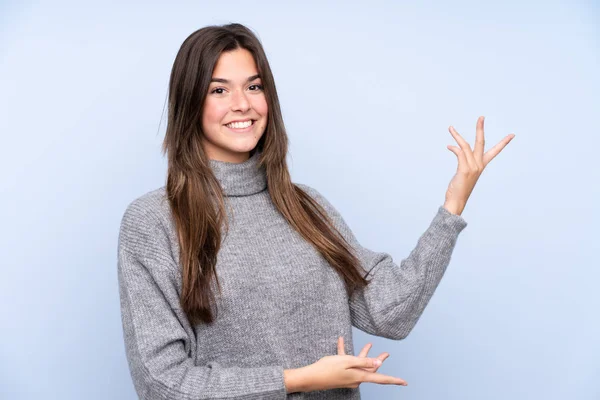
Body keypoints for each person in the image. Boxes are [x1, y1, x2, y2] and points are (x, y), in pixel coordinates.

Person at [116, 23, 515, 400]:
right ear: (190, 102)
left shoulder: (307, 207)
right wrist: (300, 381)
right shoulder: (152, 222)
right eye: (218, 91)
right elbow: (161, 384)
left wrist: (452, 207)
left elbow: (391, 313)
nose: (242, 104)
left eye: (254, 86)